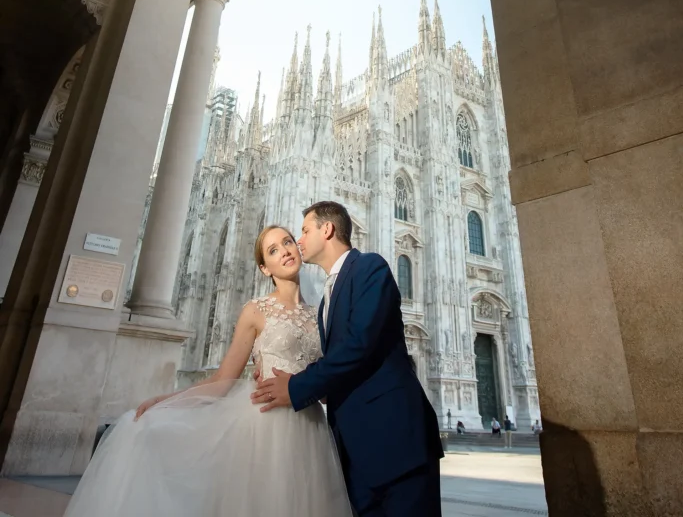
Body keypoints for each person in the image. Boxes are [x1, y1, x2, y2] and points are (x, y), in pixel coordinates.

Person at [64, 226, 352, 517]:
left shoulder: (321, 314)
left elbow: (327, 384)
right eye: (273, 250)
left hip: (311, 427)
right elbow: (222, 380)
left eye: (288, 242)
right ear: (265, 268)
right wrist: (167, 401)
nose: (286, 251)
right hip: (265, 425)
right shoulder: (256, 310)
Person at [252, 200, 444, 516]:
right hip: (355, 454)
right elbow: (348, 363)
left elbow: (360, 344)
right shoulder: (327, 298)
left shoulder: (369, 267)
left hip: (396, 444)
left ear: (326, 229)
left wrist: (297, 387)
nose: (297, 242)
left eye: (303, 231)